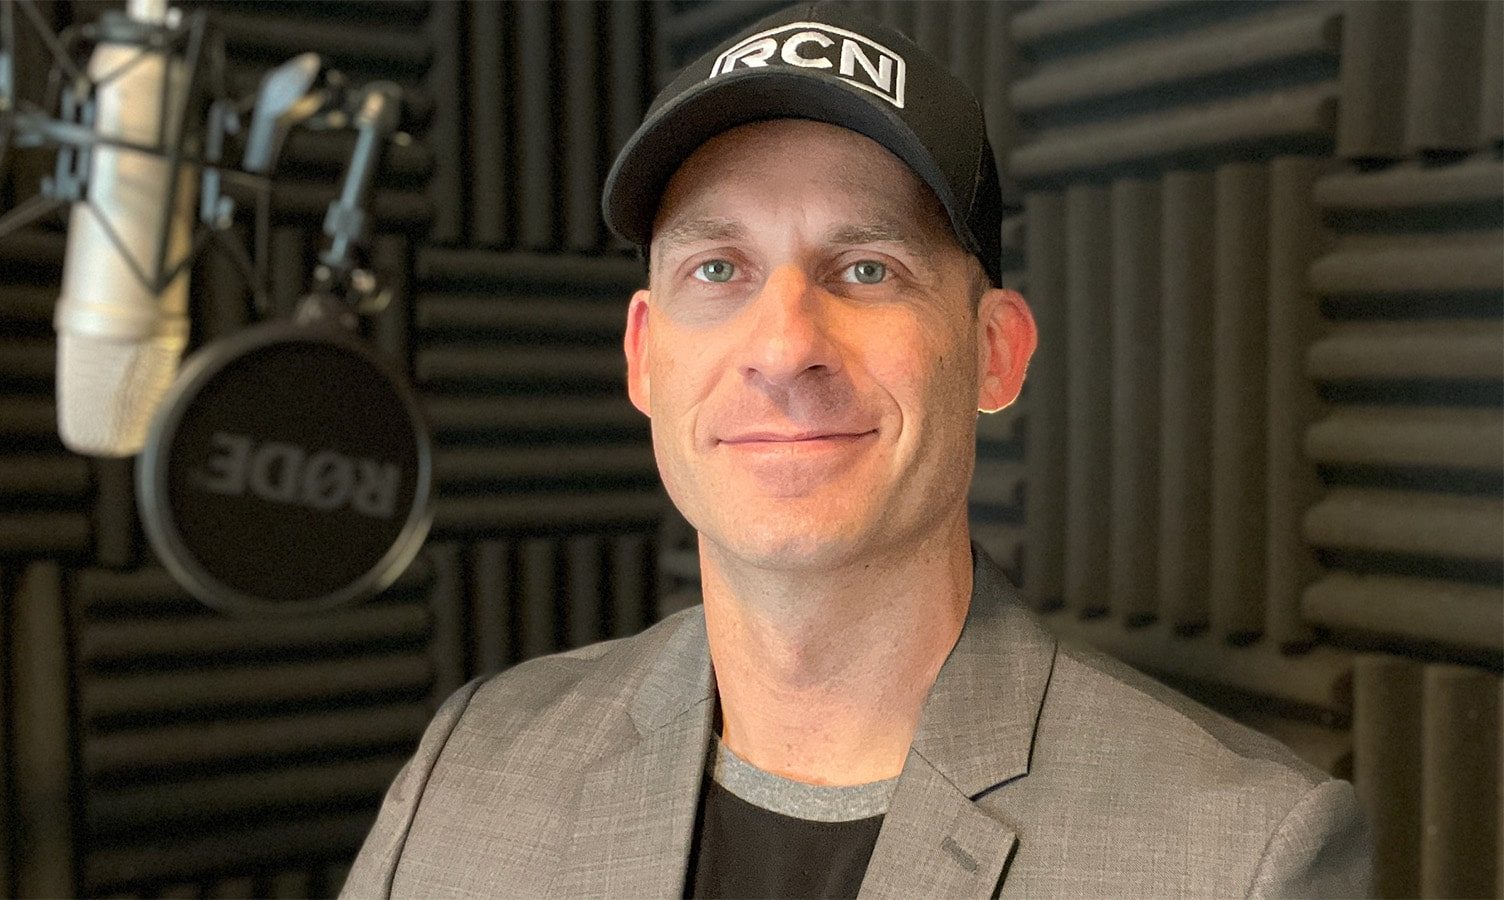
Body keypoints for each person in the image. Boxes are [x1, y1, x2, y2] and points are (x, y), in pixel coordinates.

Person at [343, 3, 1371, 897]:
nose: (786, 346)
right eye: (717, 268)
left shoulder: (1239, 859)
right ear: (645, 357)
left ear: (994, 354)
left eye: (867, 269)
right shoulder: (473, 761)